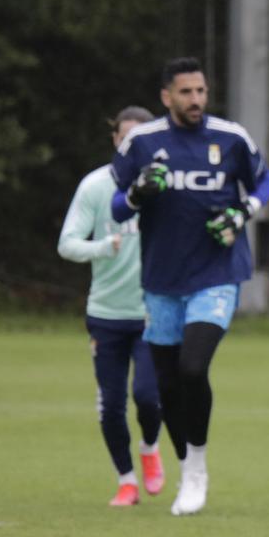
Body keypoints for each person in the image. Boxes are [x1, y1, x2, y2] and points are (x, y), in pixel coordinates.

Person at [110, 57, 269, 516]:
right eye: (186, 92)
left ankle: (196, 470)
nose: (196, 100)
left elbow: (265, 182)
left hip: (217, 274)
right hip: (162, 280)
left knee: (191, 368)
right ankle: (186, 465)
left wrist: (242, 211)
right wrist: (140, 192)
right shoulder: (142, 143)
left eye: (200, 91)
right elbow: (119, 207)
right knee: (166, 385)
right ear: (167, 97)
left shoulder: (230, 137)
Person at [59, 106, 164, 506]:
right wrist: (103, 247)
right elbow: (67, 243)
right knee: (111, 405)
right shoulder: (95, 186)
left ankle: (151, 449)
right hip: (105, 314)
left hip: (152, 310)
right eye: (126, 138)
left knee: (149, 397)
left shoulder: (166, 186)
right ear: (115, 141)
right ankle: (126, 481)